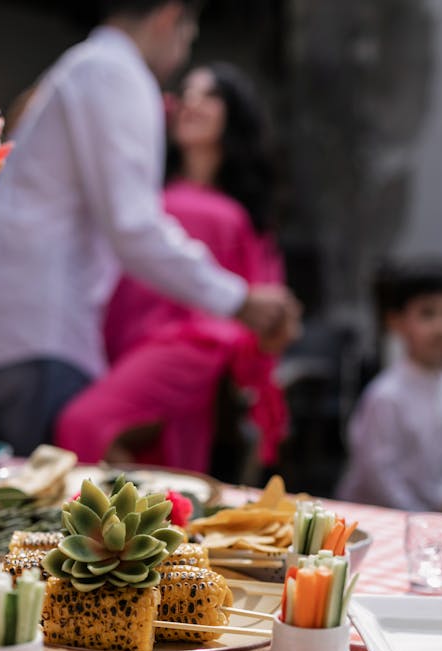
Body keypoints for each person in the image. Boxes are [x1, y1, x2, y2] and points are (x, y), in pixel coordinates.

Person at [0, 0, 299, 456]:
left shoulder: (89, 67)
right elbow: (135, 227)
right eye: (187, 37)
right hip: (41, 332)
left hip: (31, 330)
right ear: (168, 17)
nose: (181, 57)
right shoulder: (114, 73)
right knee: (48, 513)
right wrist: (237, 300)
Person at [55, 62, 292, 473]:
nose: (193, 103)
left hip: (191, 346)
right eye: (187, 93)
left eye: (210, 95)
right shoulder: (146, 193)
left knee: (82, 424)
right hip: (124, 342)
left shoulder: (238, 212)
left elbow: (264, 299)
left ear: (233, 115)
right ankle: (146, 528)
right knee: (149, 457)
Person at [337, 263, 442, 512]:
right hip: (374, 517)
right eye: (427, 314)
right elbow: (377, 471)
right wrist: (416, 515)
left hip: (431, 519)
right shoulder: (386, 395)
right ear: (397, 321)